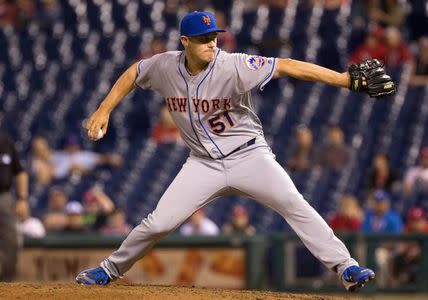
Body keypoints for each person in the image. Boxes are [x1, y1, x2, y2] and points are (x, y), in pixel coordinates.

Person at [76, 11, 395, 291]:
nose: (212, 44)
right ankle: (108, 270)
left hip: (249, 156)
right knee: (159, 223)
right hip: (202, 164)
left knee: (293, 203)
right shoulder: (165, 67)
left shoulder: (234, 65)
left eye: (214, 37)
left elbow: (286, 65)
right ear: (185, 41)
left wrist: (341, 79)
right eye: (203, 39)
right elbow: (134, 72)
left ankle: (346, 268)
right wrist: (104, 109)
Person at [0, 132, 29, 281]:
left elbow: (20, 172)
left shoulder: (5, 142)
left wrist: (23, 199)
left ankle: (5, 284)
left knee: (12, 241)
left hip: (3, 197)